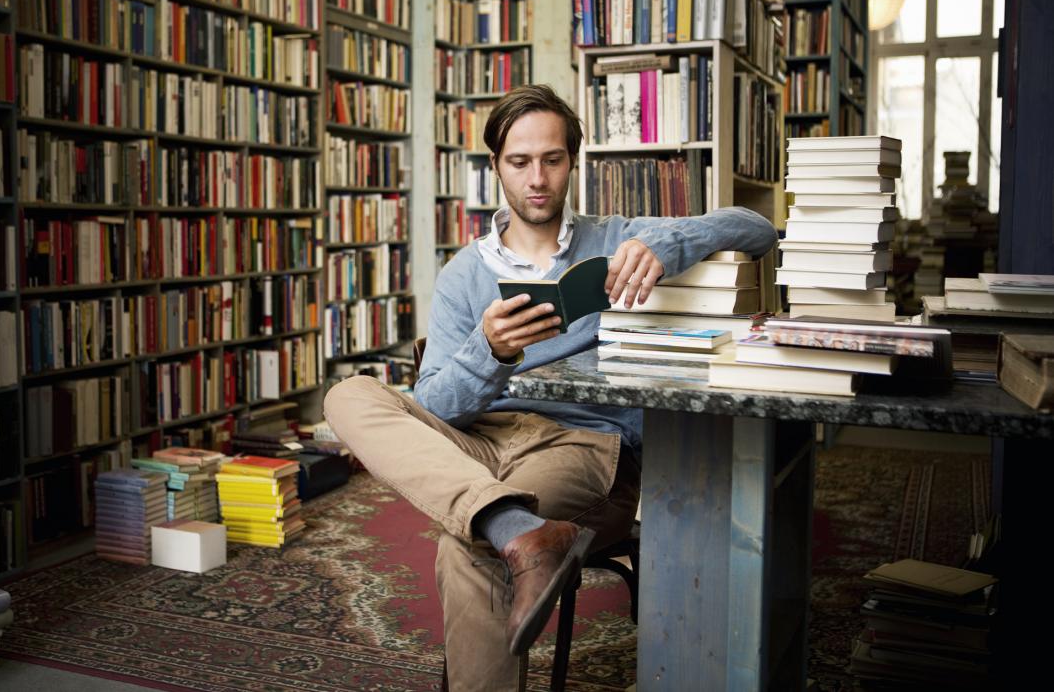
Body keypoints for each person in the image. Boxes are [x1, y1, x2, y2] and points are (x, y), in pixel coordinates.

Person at [323, 84, 777, 691]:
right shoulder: (465, 274)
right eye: (519, 162)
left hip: (581, 444)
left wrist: (665, 244)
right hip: (481, 439)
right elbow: (433, 404)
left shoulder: (617, 239)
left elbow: (758, 227)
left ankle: (502, 530)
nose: (537, 178)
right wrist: (491, 351)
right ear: (496, 168)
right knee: (348, 395)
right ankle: (519, 530)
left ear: (572, 162)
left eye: (552, 160)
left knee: (467, 549)